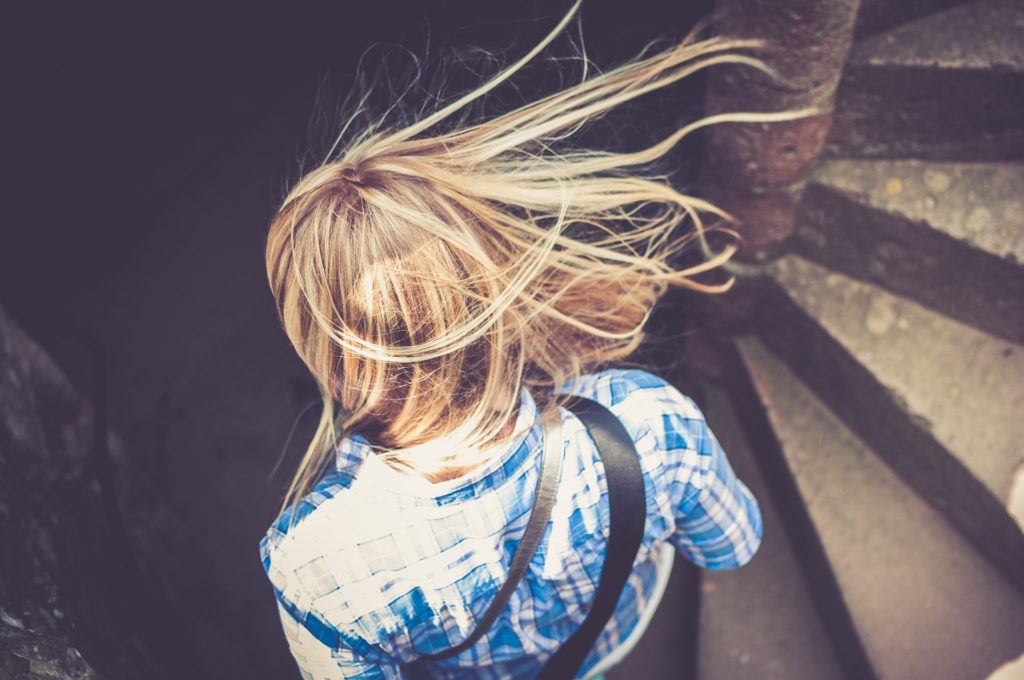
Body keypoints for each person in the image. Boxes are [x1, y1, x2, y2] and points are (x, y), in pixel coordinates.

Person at [260, 3, 797, 677]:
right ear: (499, 295)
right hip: (614, 630)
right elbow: (733, 544)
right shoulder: (649, 426)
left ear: (334, 367)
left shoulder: (317, 567)